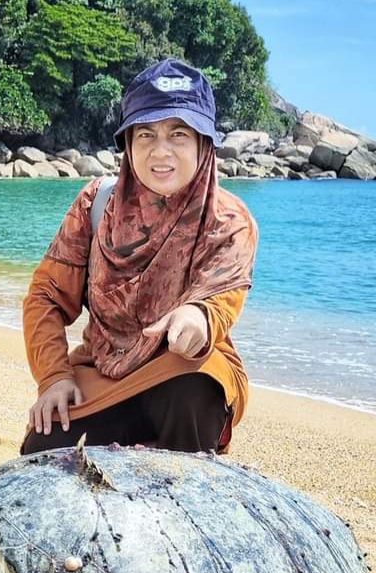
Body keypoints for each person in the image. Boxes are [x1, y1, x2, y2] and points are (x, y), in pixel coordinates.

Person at [21, 58, 258, 455]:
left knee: (195, 390)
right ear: (128, 143)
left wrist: (197, 316)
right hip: (103, 369)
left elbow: (220, 302)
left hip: (180, 370)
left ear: (205, 143)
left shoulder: (229, 221)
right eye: (145, 134)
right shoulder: (98, 204)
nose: (160, 151)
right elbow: (46, 297)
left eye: (178, 133)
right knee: (45, 447)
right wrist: (54, 377)